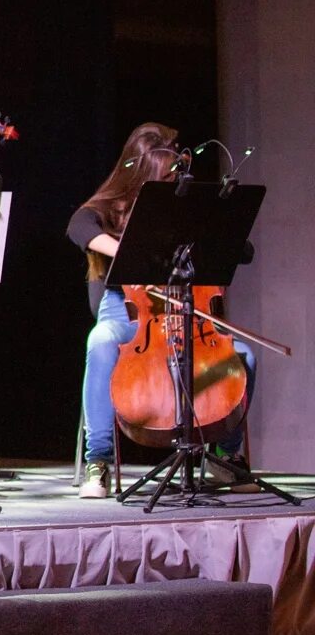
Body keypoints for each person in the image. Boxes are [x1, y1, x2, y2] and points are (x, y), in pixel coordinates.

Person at [67, 122, 257, 499]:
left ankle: (225, 453)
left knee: (244, 355)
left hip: (187, 313)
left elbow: (243, 249)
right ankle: (98, 461)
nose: (171, 181)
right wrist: (127, 250)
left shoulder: (184, 205)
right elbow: (78, 226)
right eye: (163, 175)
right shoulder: (111, 207)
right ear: (141, 172)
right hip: (128, 314)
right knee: (100, 340)